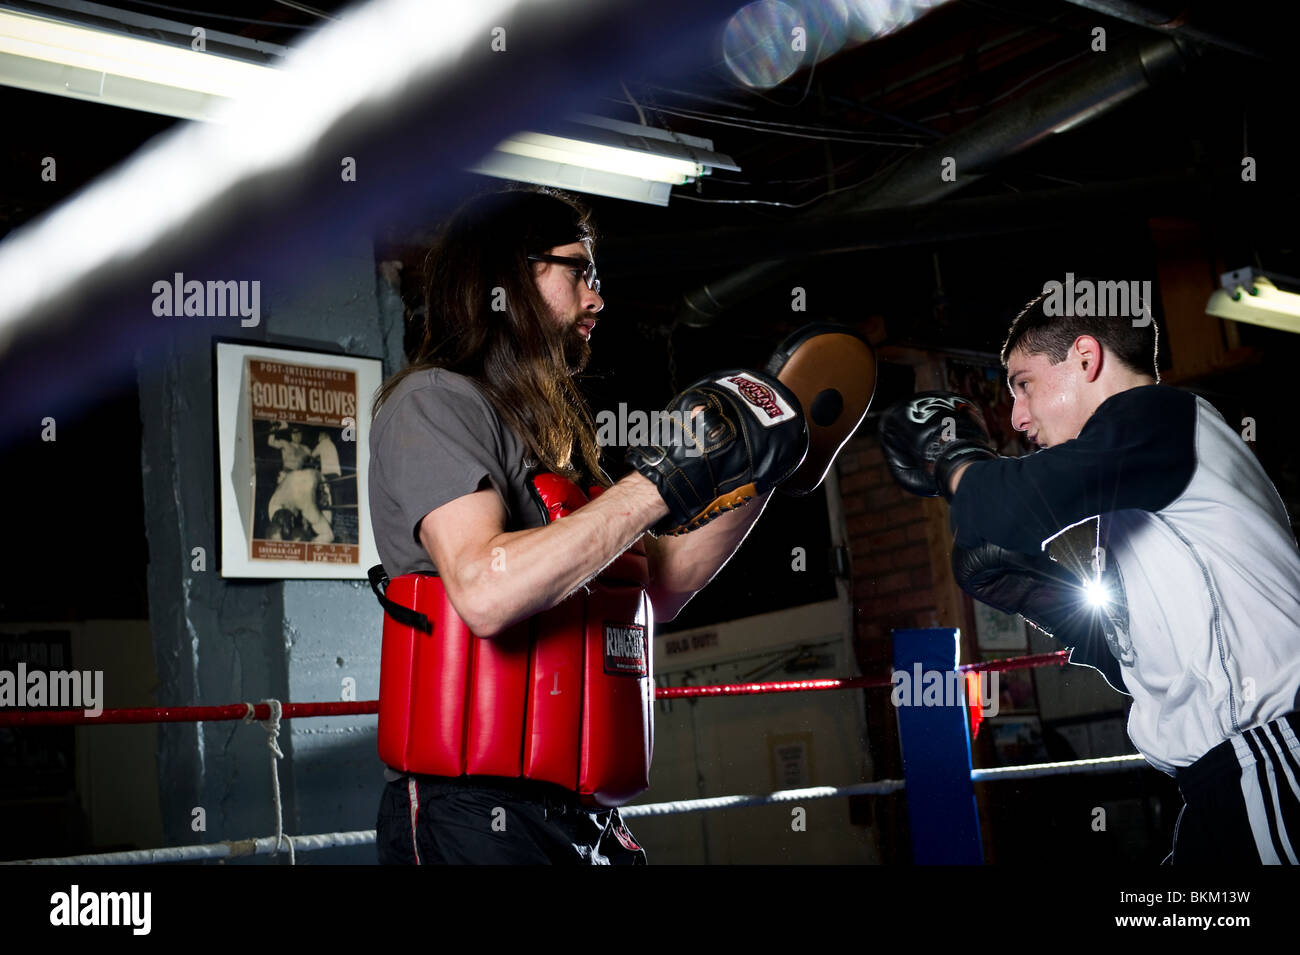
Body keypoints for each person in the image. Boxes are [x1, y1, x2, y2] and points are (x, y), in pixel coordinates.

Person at [366, 186, 813, 864]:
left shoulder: (557, 440)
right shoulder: (434, 403)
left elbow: (662, 580)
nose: (598, 297)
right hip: (472, 810)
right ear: (507, 276)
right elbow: (485, 590)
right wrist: (662, 481)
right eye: (580, 272)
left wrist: (764, 465)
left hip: (581, 812)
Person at [880, 286, 1300, 864]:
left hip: (1269, 753)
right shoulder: (1142, 486)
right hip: (1227, 776)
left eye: (1023, 384)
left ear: (1085, 358)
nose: (1018, 416)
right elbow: (1146, 662)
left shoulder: (1158, 412)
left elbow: (1005, 510)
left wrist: (951, 459)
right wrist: (1044, 599)